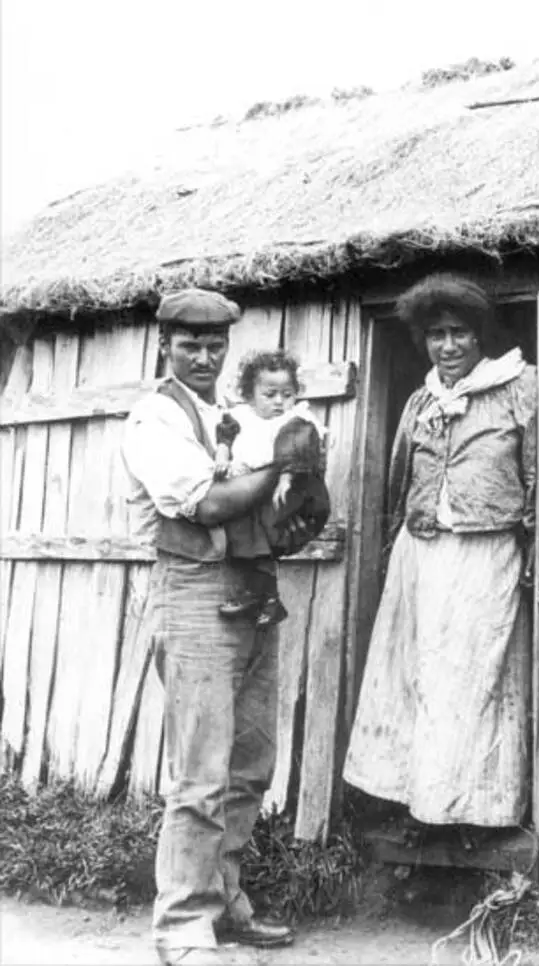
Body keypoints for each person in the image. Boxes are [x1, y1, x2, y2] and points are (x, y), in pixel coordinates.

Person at [121, 289, 295, 966]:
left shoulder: (230, 418)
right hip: (193, 597)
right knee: (200, 770)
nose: (203, 355)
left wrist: (293, 503)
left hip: (251, 593)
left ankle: (224, 901)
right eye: (189, 343)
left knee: (250, 763)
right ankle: (182, 924)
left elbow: (262, 516)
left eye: (214, 343)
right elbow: (210, 501)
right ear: (165, 344)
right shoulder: (154, 419)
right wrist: (283, 460)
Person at [343, 271, 537, 849]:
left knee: (473, 680)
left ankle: (477, 813)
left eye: (459, 333)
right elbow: (398, 478)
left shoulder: (517, 389)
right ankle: (420, 803)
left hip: (486, 555)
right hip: (422, 554)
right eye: (436, 335)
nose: (448, 346)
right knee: (417, 678)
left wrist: (532, 547)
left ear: (481, 337)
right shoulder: (420, 401)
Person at [216, 349, 329, 623]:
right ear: (249, 394)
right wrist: (222, 454)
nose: (280, 402)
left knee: (262, 530)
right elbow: (225, 434)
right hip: (261, 491)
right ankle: (265, 596)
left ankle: (264, 596)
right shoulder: (240, 417)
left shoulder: (296, 419)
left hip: (297, 490)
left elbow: (297, 445)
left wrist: (287, 476)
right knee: (243, 531)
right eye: (270, 395)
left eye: (287, 394)